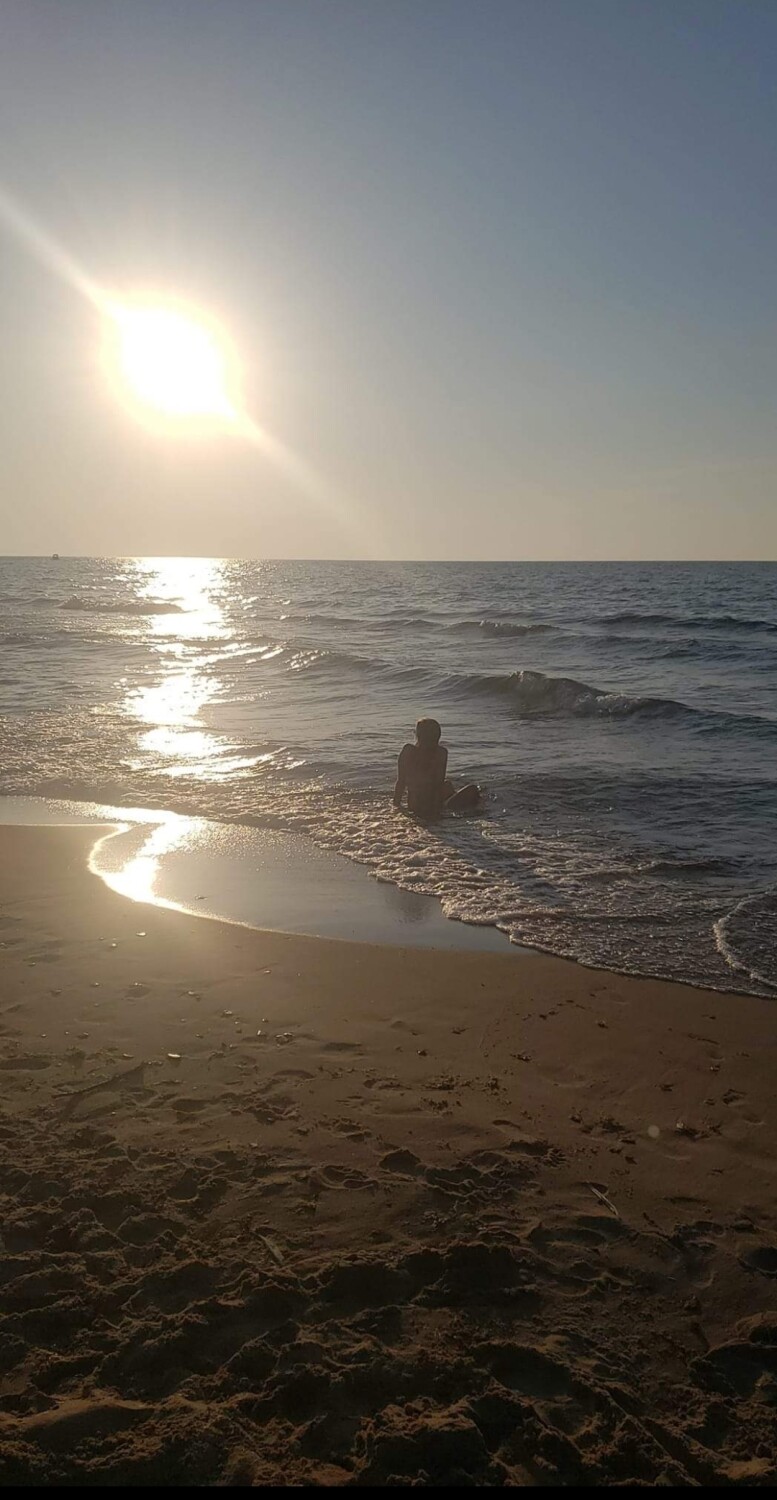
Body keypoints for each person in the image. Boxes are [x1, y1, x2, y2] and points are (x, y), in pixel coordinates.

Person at [392, 717, 480, 819]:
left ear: (418, 735)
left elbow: (401, 782)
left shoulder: (408, 750)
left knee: (447, 784)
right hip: (434, 806)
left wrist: (396, 805)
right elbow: (438, 784)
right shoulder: (441, 752)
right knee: (472, 789)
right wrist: (438, 811)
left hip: (415, 806)